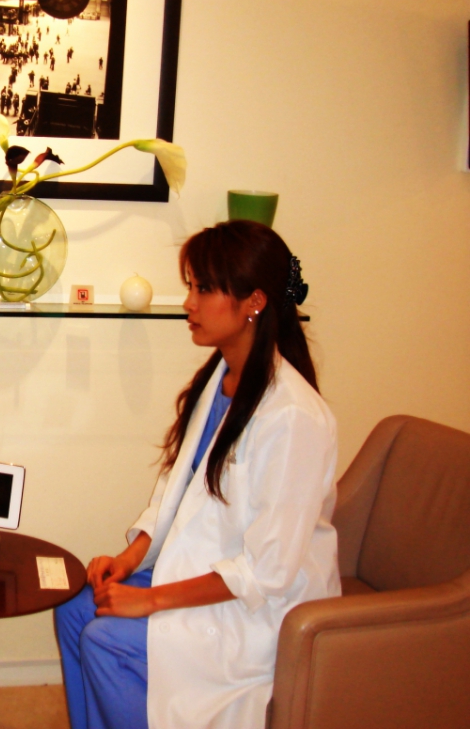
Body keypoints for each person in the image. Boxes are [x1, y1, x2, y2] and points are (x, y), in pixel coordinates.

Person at [55, 220, 338, 729]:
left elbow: (266, 571)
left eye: (204, 289)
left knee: (105, 640)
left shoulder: (293, 417)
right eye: (191, 286)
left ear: (254, 301)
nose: (189, 303)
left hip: (256, 609)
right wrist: (128, 560)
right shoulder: (221, 379)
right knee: (73, 610)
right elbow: (177, 492)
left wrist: (150, 599)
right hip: (197, 569)